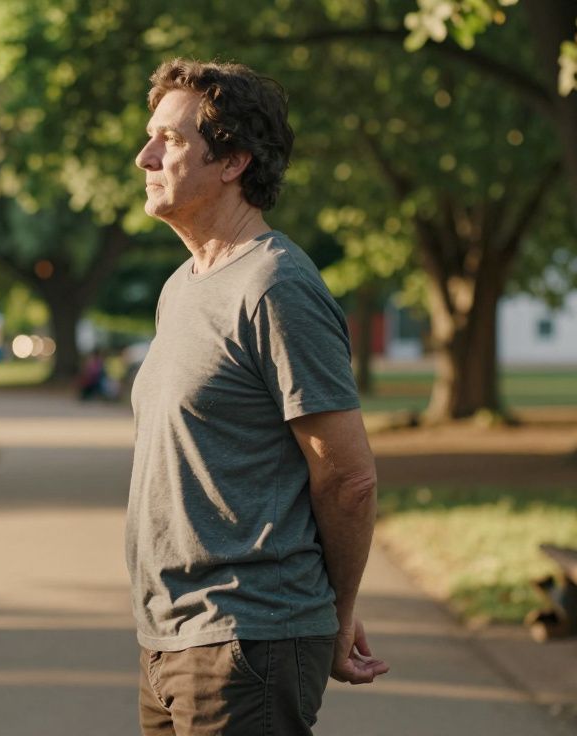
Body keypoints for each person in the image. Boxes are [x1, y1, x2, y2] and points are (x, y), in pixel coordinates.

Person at [125, 58, 388, 735]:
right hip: (170, 637)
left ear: (233, 161)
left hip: (246, 638)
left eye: (171, 141)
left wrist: (336, 612)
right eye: (150, 136)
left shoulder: (276, 287)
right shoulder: (183, 285)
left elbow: (349, 476)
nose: (144, 155)